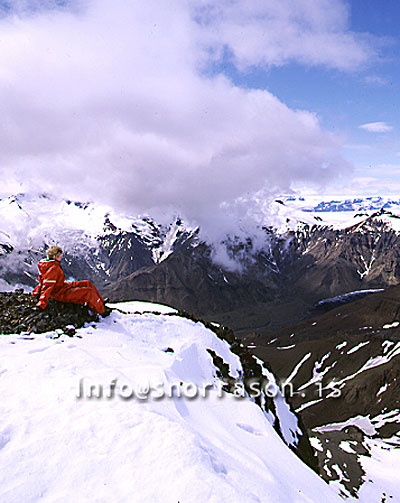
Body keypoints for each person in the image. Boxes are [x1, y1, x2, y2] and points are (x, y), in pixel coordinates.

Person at [32, 246, 105, 315]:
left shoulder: (47, 265)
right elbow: (47, 285)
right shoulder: (53, 268)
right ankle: (101, 311)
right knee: (89, 292)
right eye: (59, 255)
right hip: (59, 293)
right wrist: (42, 303)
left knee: (87, 283)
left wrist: (36, 292)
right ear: (55, 257)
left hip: (62, 287)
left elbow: (42, 281)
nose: (61, 257)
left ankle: (101, 303)